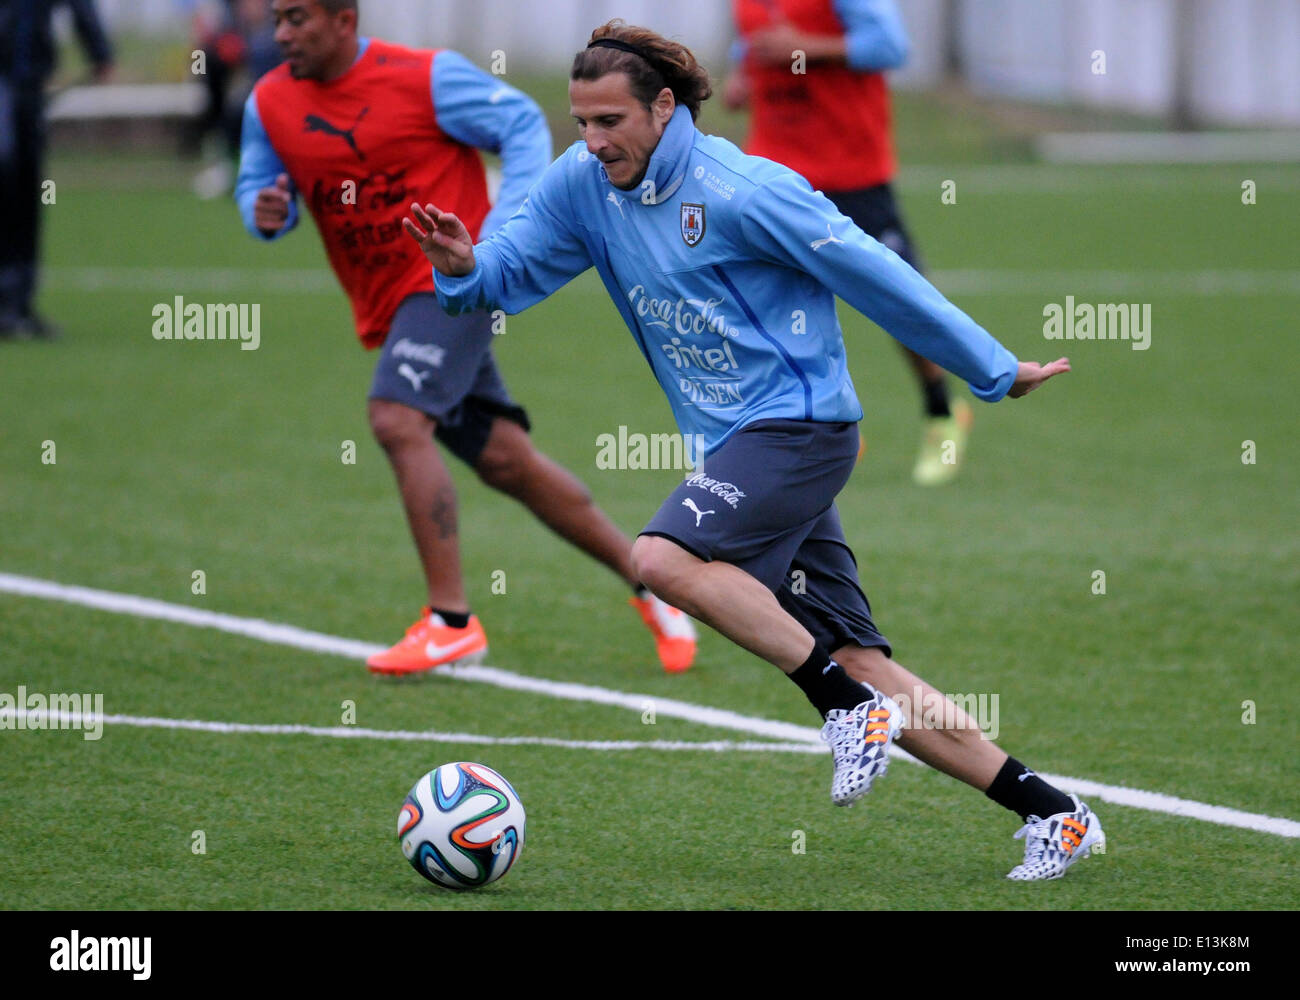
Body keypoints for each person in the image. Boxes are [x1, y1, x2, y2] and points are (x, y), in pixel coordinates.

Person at [404, 19, 1104, 881]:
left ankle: (841, 710)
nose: (591, 141)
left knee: (659, 557)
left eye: (609, 122)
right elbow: (506, 273)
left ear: (664, 107)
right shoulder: (585, 183)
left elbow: (875, 274)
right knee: (861, 659)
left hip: (801, 430)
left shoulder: (745, 188)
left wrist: (994, 371)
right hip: (737, 449)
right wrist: (462, 265)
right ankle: (1053, 812)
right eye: (580, 123)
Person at [235, 0, 696, 676]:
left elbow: (518, 121)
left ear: (344, 19)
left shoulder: (424, 78)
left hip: (449, 280)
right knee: (508, 461)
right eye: (277, 18)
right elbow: (256, 183)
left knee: (397, 418)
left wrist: (500, 234)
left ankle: (451, 622)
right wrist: (262, 211)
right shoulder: (269, 101)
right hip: (386, 306)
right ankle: (653, 583)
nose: (280, 34)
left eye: (297, 18)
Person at [724, 0, 970, 485]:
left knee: (900, 298)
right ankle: (825, 428)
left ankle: (942, 411)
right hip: (774, 171)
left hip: (850, 170)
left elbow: (891, 46)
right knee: (768, 302)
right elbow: (749, 41)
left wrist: (807, 48)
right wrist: (741, 76)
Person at [0, 0, 113, 340]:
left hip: (29, 78)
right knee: (6, 172)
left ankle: (17, 302)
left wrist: (99, 52)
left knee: (26, 187)